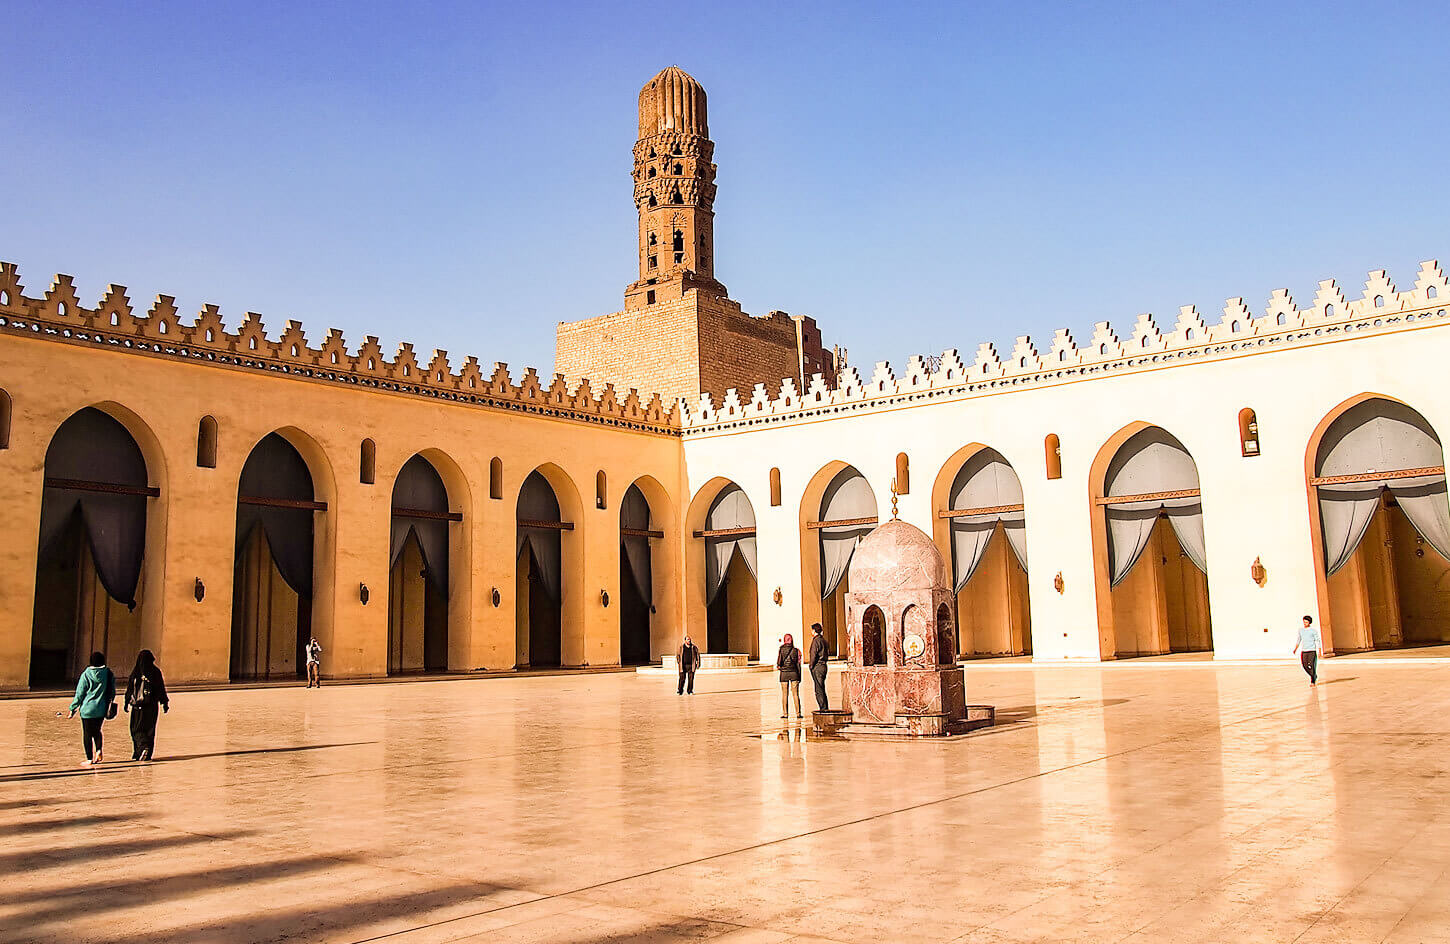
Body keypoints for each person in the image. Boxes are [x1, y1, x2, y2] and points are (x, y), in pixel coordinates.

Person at [67, 651, 115, 766]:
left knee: (87, 734)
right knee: (97, 731)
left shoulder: (86, 674)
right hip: (101, 708)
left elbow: (80, 693)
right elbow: (112, 691)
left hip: (87, 709)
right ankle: (98, 749)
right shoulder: (108, 673)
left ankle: (89, 758)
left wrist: (73, 708)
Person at [124, 649, 170, 761]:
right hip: (152, 707)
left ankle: (141, 748)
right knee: (150, 730)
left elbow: (130, 689)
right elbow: (161, 688)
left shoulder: (136, 672)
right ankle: (146, 753)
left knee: (136, 729)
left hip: (138, 707)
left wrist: (126, 702)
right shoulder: (155, 672)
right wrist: (164, 703)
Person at [777, 633, 802, 720]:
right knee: (795, 694)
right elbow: (798, 664)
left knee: (784, 694)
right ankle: (798, 713)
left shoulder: (781, 649)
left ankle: (785, 714)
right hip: (794, 673)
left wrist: (779, 666)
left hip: (784, 674)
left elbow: (779, 662)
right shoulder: (796, 650)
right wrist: (799, 676)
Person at [1293, 615, 1322, 685]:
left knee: (1311, 665)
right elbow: (1299, 639)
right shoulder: (1301, 630)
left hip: (1312, 650)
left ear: (1309, 622)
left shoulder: (1313, 631)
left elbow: (1318, 640)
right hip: (1304, 650)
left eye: (1306, 622)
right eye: (1304, 622)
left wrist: (1319, 651)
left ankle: (1313, 680)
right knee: (1304, 665)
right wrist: (1295, 649)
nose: (1305, 623)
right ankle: (1314, 675)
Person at [808, 622, 829, 711]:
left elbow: (813, 655)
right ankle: (824, 707)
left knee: (819, 689)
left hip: (818, 666)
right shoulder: (823, 640)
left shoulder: (816, 641)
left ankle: (823, 708)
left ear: (814, 631)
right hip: (824, 665)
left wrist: (811, 665)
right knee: (821, 687)